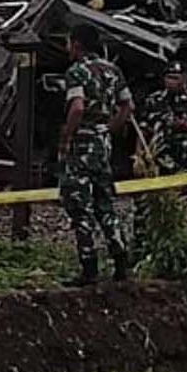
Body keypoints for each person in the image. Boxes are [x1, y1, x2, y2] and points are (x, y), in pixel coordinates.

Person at [59, 27, 133, 285]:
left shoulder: (76, 72)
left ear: (76, 44)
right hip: (103, 143)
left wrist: (67, 136)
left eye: (69, 43)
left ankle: (89, 267)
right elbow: (127, 106)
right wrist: (108, 129)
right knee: (105, 203)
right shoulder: (113, 70)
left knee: (79, 205)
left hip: (82, 145)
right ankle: (121, 261)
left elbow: (77, 107)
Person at [134, 63, 187, 248]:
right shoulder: (154, 101)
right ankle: (143, 245)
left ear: (184, 78)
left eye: (175, 77)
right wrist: (138, 155)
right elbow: (143, 129)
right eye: (168, 77)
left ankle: (176, 245)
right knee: (146, 205)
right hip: (156, 161)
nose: (171, 81)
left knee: (179, 205)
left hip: (181, 161)